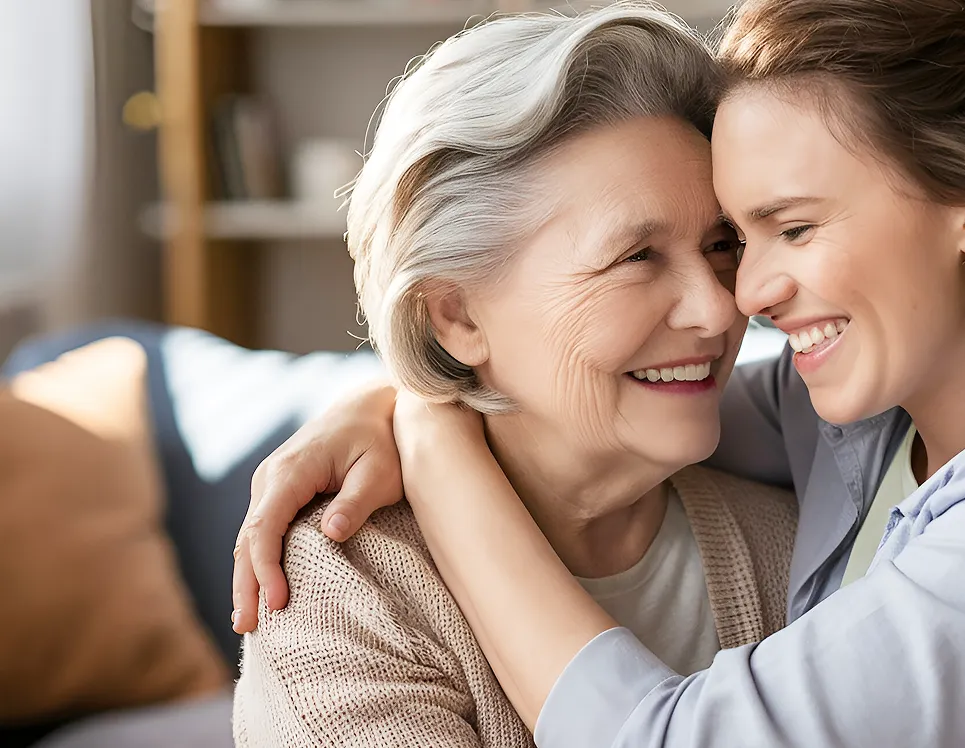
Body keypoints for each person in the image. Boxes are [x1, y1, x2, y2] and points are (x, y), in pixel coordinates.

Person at [232, 0, 965, 745]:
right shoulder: (857, 415)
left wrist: (433, 438)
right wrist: (392, 397)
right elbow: (614, 398)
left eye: (784, 229)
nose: (738, 300)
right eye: (735, 239)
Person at [230, 8, 798, 746]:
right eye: (637, 257)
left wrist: (416, 416)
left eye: (720, 244)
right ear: (457, 317)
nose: (721, 308)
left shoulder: (789, 544)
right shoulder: (347, 589)